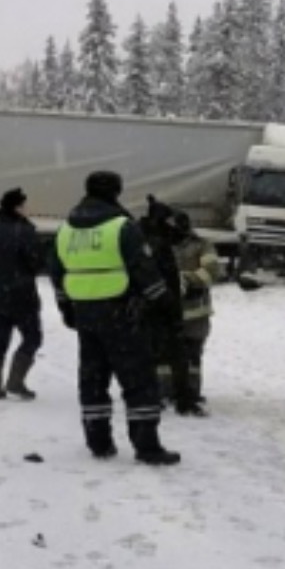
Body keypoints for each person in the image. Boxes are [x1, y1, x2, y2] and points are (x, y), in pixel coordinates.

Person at [50, 171, 180, 465]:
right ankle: (147, 446)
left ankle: (99, 442)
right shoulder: (122, 226)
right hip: (122, 313)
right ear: (116, 192)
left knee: (93, 379)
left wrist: (66, 308)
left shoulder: (66, 229)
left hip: (85, 315)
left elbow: (57, 274)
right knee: (138, 380)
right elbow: (143, 269)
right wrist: (163, 302)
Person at [0, 188, 45, 401]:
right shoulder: (24, 232)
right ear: (17, 208)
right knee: (33, 336)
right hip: (22, 294)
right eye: (25, 205)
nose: (27, 209)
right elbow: (36, 262)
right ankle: (15, 381)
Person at [140, 198, 192, 416]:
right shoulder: (153, 241)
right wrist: (164, 300)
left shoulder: (148, 236)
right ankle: (177, 399)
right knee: (168, 353)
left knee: (161, 354)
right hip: (159, 306)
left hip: (155, 305)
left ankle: (174, 397)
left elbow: (180, 236)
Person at [170, 208, 224, 416]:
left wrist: (184, 279)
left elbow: (212, 271)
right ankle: (167, 391)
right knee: (163, 356)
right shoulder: (158, 243)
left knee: (192, 355)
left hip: (195, 313)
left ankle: (190, 393)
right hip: (165, 312)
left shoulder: (202, 245)